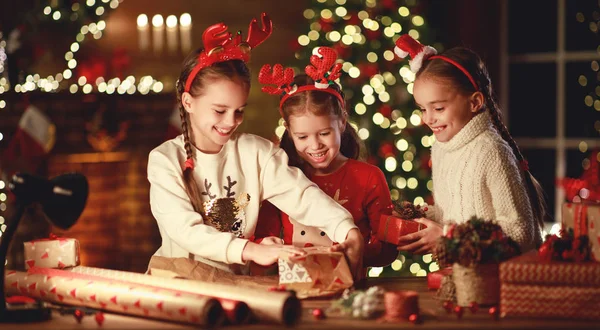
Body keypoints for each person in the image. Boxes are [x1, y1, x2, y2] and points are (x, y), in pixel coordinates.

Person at [146, 15, 364, 277]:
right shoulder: (164, 159)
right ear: (188, 102)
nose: (231, 122)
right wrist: (252, 250)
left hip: (237, 287)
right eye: (220, 110)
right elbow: (185, 230)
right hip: (177, 282)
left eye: (239, 111)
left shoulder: (257, 153)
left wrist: (346, 229)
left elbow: (303, 196)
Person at [391, 35, 546, 254]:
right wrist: (420, 216)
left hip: (500, 282)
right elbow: (455, 215)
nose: (427, 119)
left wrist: (447, 238)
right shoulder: (442, 148)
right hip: (463, 276)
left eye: (438, 108)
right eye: (423, 109)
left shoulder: (492, 152)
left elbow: (519, 232)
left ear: (474, 102)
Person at [254, 47, 397, 269]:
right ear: (289, 132)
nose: (315, 145)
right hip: (297, 289)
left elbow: (387, 249)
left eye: (324, 133)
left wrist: (353, 251)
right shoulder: (283, 178)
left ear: (341, 122)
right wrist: (266, 245)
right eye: (302, 136)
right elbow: (263, 235)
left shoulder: (369, 177)